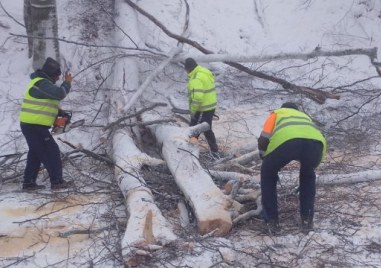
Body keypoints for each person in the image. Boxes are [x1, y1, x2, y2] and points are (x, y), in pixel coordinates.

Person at [257, 102, 327, 234]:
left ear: (283, 108)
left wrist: (263, 156)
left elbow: (264, 137)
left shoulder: (277, 113)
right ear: (297, 110)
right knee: (308, 175)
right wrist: (313, 165)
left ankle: (272, 222)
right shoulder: (305, 116)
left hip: (287, 141)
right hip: (316, 145)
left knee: (268, 174)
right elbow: (316, 137)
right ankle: (307, 220)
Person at [19, 57, 73, 191]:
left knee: (36, 153)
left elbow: (45, 104)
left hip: (33, 125)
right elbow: (60, 93)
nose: (57, 78)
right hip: (33, 126)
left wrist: (59, 113)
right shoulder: (41, 84)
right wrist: (67, 83)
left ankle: (29, 183)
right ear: (51, 73)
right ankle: (57, 181)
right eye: (56, 76)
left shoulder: (43, 85)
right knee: (51, 151)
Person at [184, 57, 219, 159]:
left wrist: (193, 112)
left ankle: (189, 150)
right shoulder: (204, 71)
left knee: (194, 129)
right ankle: (214, 151)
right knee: (206, 129)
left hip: (202, 108)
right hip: (210, 106)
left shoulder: (196, 78)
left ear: (189, 69)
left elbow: (198, 97)